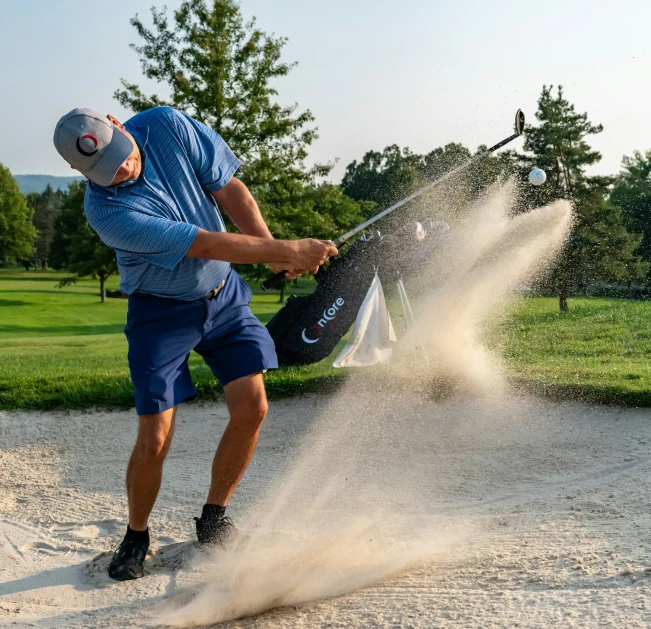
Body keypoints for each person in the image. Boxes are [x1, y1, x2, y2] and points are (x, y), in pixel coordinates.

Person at [52, 107, 337, 580]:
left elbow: (230, 190)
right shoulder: (106, 211)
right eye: (105, 170)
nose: (122, 169)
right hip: (160, 313)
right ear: (81, 171)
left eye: (121, 154)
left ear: (117, 122)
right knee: (155, 436)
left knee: (253, 408)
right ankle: (137, 534)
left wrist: (271, 250)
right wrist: (286, 251)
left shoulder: (167, 126)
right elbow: (204, 242)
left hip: (223, 296)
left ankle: (213, 517)